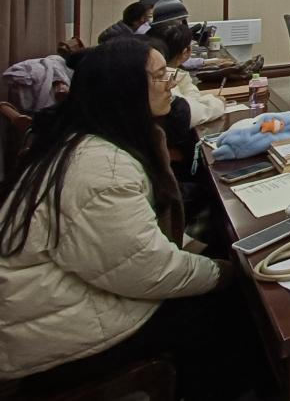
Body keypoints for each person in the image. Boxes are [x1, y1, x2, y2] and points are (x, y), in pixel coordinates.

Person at [0, 37, 248, 399]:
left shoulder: (84, 139)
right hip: (53, 336)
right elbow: (149, 270)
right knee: (237, 310)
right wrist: (228, 271)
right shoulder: (101, 167)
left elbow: (127, 248)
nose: (171, 85)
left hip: (54, 308)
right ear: (125, 89)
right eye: (161, 76)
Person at [147, 23, 227, 127]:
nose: (172, 84)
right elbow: (190, 112)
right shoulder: (161, 82)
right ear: (186, 51)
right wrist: (217, 103)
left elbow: (192, 99)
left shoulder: (172, 75)